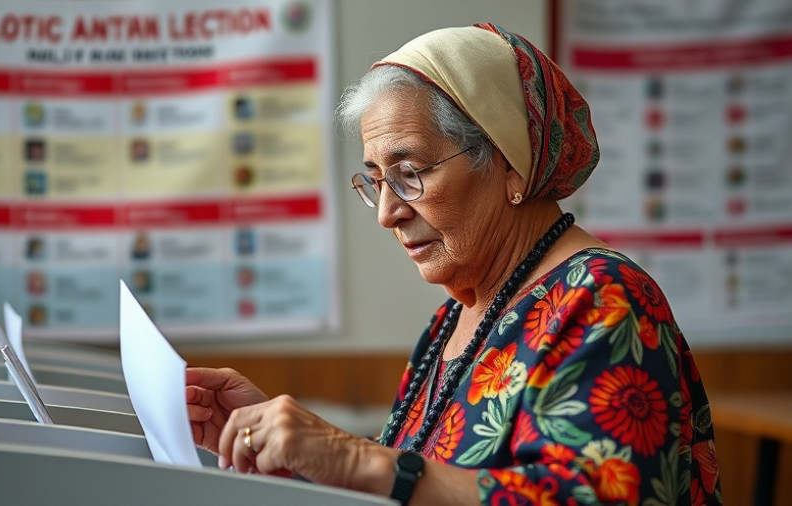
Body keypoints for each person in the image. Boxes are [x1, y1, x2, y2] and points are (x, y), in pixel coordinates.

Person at [186, 23, 721, 505]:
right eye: (376, 181)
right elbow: (412, 477)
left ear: (510, 166)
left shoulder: (603, 299)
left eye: (411, 172)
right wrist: (284, 450)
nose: (388, 214)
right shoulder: (453, 320)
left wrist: (352, 458)